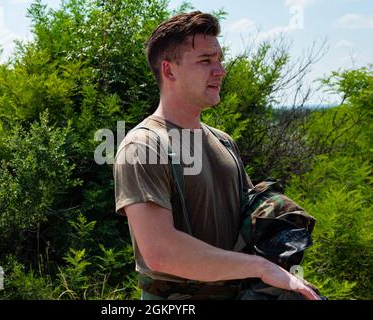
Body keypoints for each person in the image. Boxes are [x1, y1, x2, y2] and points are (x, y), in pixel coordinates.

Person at [113, 11, 320, 300]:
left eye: (219, 59)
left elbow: (249, 228)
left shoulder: (224, 142)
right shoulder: (144, 147)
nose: (220, 70)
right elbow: (159, 253)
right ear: (169, 70)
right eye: (205, 61)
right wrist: (260, 268)